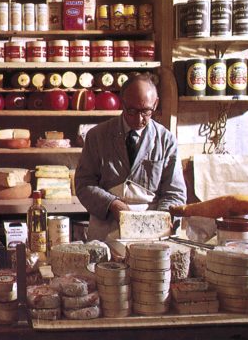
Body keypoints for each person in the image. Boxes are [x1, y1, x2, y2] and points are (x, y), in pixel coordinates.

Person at [75, 73, 186, 241]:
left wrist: (160, 220)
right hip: (106, 229)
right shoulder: (97, 136)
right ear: (122, 103)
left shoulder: (166, 140)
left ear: (155, 104)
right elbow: (84, 184)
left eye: (146, 111)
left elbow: (174, 192)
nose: (138, 118)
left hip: (151, 232)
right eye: (131, 110)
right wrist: (112, 204)